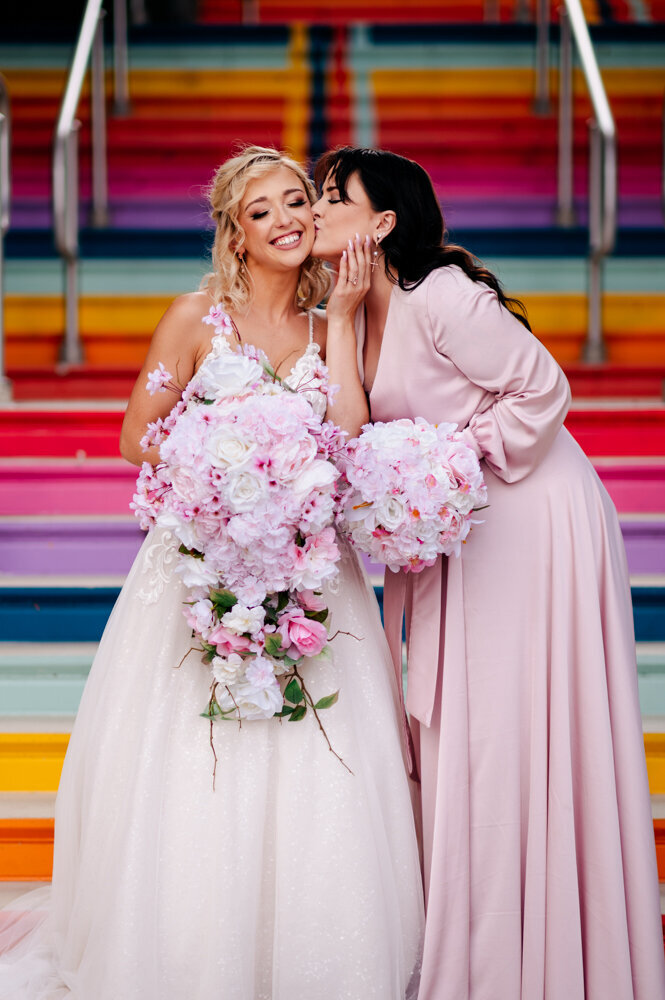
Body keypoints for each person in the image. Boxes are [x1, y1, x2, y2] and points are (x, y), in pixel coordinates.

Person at [0, 146, 424, 1000]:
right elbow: (135, 437)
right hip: (206, 562)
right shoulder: (196, 319)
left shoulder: (332, 324)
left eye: (297, 200)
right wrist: (220, 478)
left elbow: (346, 432)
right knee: (201, 749)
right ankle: (192, 951)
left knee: (316, 753)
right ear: (235, 230)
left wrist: (340, 320)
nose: (286, 219)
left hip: (310, 570)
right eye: (262, 209)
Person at [311, 146, 665, 1000]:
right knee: (462, 728)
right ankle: (482, 946)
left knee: (510, 724)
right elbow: (349, 426)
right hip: (455, 529)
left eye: (332, 196)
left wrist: (444, 463)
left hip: (526, 515)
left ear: (383, 221)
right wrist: (341, 317)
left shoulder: (444, 296)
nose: (314, 209)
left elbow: (541, 391)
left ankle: (548, 953)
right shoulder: (356, 306)